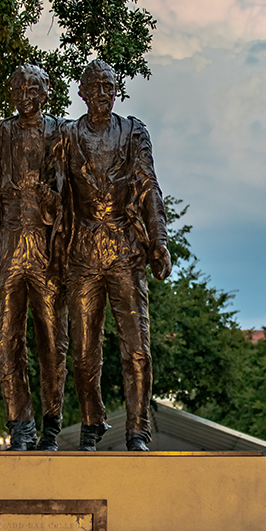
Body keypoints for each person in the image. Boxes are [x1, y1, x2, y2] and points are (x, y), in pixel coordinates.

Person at [62, 59, 172, 451]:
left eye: (108, 87)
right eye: (95, 88)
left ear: (116, 91)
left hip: (125, 249)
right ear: (82, 94)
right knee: (83, 352)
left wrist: (158, 240)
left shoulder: (133, 132)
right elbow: (56, 195)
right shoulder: (68, 136)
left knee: (137, 347)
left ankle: (138, 429)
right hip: (83, 252)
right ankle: (92, 421)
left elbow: (148, 186)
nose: (102, 95)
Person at [0, 64, 67, 451]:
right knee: (6, 341)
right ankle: (20, 425)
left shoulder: (61, 133)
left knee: (53, 342)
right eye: (18, 89)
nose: (25, 95)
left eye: (33, 88)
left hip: (46, 248)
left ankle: (52, 424)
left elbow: (74, 194)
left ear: (46, 92)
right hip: (7, 244)